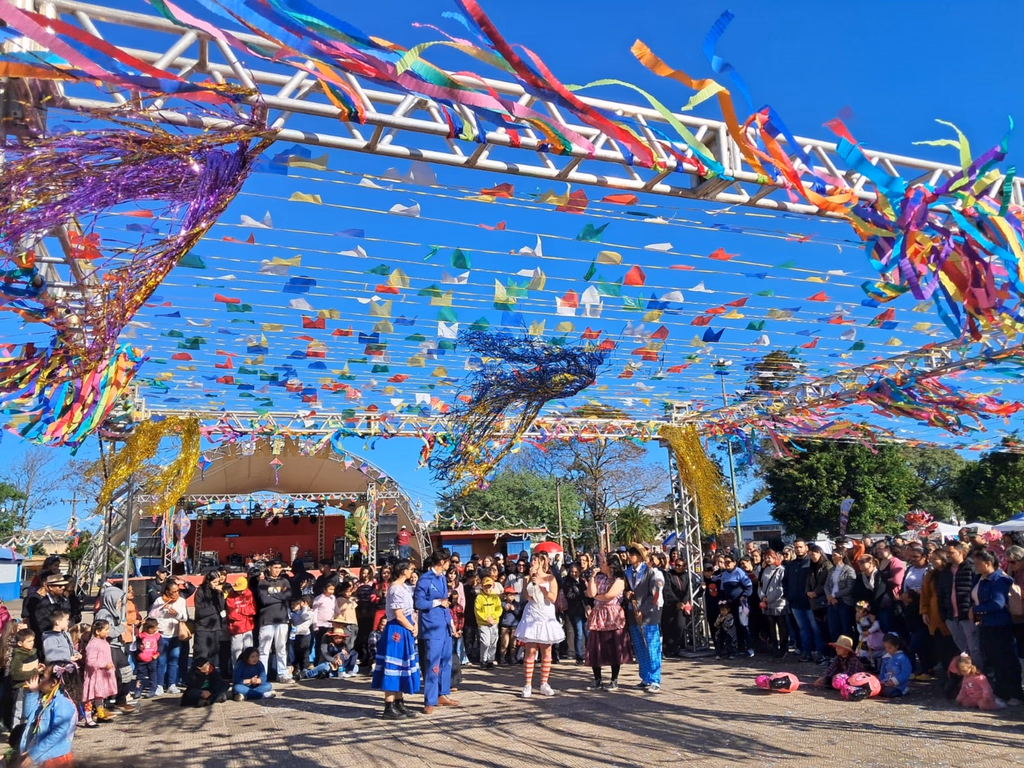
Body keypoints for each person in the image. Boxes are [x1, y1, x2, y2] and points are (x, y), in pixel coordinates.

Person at [970, 549, 1024, 705]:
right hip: (985, 624)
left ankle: (1014, 694)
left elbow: (997, 603)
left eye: (978, 564)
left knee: (1006, 659)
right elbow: (976, 600)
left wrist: (976, 610)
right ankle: (1001, 692)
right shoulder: (980, 578)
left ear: (988, 563)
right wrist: (977, 620)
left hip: (1000, 625)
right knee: (993, 659)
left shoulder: (999, 579)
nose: (975, 567)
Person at [372, 559, 420, 719]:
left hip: (406, 627)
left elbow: (409, 610)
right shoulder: (395, 589)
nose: (412, 571)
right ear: (403, 570)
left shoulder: (404, 587)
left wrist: (415, 624)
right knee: (393, 665)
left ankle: (399, 702)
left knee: (402, 665)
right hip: (397, 629)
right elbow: (398, 615)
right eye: (410, 569)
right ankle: (389, 706)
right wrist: (411, 627)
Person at [413, 549, 460, 714]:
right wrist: (437, 602)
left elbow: (446, 603)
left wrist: (451, 623)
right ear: (442, 562)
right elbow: (418, 603)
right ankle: (429, 700)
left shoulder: (442, 578)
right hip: (431, 627)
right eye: (448, 562)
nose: (450, 565)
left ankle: (442, 694)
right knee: (433, 664)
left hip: (444, 626)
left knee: (446, 662)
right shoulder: (425, 579)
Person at [515, 552, 564, 698]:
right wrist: (530, 580)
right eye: (532, 560)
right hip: (532, 613)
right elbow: (527, 596)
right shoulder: (527, 578)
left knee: (546, 650)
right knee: (530, 650)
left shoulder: (550, 578)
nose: (533, 562)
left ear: (542, 562)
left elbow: (553, 598)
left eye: (536, 560)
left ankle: (544, 683)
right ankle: (527, 684)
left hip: (546, 614)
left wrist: (541, 587)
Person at [584, 553, 631, 691]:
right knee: (595, 646)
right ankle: (597, 679)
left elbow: (609, 596)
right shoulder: (599, 578)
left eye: (603, 562)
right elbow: (590, 593)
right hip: (598, 613)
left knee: (614, 646)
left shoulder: (619, 579)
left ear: (610, 565)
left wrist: (597, 596)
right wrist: (592, 577)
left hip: (613, 614)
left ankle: (614, 680)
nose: (600, 564)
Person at [17, 664, 77, 767]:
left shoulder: (62, 703)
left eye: (43, 677)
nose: (40, 680)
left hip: (53, 758)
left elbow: (58, 732)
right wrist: (33, 692)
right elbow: (29, 715)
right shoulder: (46, 699)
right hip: (41, 754)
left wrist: (34, 753)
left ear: (53, 683)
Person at [623, 544, 664, 691]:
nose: (629, 557)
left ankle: (655, 679)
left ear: (639, 557)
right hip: (632, 613)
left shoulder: (649, 572)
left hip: (648, 616)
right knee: (639, 648)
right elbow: (626, 589)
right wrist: (627, 594)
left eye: (632, 554)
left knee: (652, 647)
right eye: (629, 554)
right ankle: (645, 677)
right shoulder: (627, 572)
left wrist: (644, 610)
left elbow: (655, 595)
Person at [938, 541, 981, 663]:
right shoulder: (945, 571)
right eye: (946, 552)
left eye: (951, 552)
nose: (948, 555)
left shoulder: (972, 568)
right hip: (951, 616)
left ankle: (978, 671)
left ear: (960, 552)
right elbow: (941, 594)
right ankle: (967, 671)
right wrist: (944, 615)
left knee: (974, 646)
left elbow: (978, 592)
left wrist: (976, 612)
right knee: (962, 647)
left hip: (969, 614)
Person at [148, 581, 188, 695]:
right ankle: (159, 685)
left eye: (177, 591)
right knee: (161, 661)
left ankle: (171, 684)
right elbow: (151, 616)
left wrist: (176, 614)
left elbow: (185, 618)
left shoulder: (181, 601)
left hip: (175, 634)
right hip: (162, 634)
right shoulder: (159, 600)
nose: (176, 594)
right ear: (167, 591)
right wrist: (161, 610)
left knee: (174, 660)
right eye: (173, 592)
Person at [785, 541, 822, 662]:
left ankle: (819, 652)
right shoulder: (790, 565)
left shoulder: (812, 562)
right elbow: (785, 581)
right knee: (803, 628)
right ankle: (806, 652)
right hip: (795, 602)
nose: (798, 549)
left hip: (810, 602)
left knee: (815, 628)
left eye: (801, 547)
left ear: (806, 548)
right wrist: (788, 595)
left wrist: (814, 593)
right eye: (796, 547)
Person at [257, 560, 292, 681]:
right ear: (269, 568)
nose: (277, 570)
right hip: (267, 620)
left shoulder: (285, 581)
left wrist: (271, 595)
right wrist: (280, 596)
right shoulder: (263, 582)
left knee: (281, 649)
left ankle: (282, 674)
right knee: (264, 650)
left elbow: (288, 596)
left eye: (279, 568)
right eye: (275, 567)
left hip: (282, 619)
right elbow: (264, 600)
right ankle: (262, 675)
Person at [717, 553, 753, 659]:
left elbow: (749, 587)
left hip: (741, 604)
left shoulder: (740, 572)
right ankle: (737, 648)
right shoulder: (724, 575)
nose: (726, 564)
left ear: (734, 562)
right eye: (725, 562)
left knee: (744, 626)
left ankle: (749, 648)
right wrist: (723, 601)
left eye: (728, 562)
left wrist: (744, 596)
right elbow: (722, 590)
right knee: (733, 626)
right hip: (730, 605)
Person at [83, 619, 118, 724]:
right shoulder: (93, 644)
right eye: (106, 629)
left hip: (102, 675)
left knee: (100, 695)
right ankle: (88, 719)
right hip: (94, 675)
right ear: (98, 631)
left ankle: (100, 714)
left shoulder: (104, 642)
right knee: (90, 697)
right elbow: (90, 661)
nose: (108, 631)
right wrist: (103, 665)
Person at [193, 570, 226, 674]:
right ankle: (198, 678)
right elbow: (200, 612)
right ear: (208, 581)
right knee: (201, 656)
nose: (216, 584)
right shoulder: (200, 592)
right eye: (214, 582)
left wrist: (220, 594)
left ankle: (212, 678)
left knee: (214, 656)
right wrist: (214, 609)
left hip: (215, 627)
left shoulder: (217, 592)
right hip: (203, 628)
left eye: (218, 582)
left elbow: (221, 608)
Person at [758, 550, 788, 657]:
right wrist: (762, 597)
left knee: (781, 625)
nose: (767, 559)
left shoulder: (781, 570)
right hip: (767, 603)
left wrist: (770, 598)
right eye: (765, 557)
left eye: (769, 557)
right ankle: (774, 646)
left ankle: (784, 647)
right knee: (771, 625)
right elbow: (760, 585)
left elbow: (781, 588)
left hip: (779, 603)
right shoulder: (765, 570)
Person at [826, 547, 857, 645]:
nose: (833, 557)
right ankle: (837, 650)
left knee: (845, 628)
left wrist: (834, 595)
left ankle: (847, 650)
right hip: (831, 602)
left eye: (835, 555)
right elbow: (826, 585)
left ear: (841, 556)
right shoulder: (831, 570)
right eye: (832, 555)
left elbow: (850, 588)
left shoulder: (849, 570)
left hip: (844, 602)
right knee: (833, 629)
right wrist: (829, 596)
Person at [10, 628, 41, 727]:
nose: (32, 643)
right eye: (29, 641)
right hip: (21, 688)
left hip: (32, 687)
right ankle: (16, 731)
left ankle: (25, 731)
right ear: (20, 643)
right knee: (19, 712)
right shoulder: (18, 656)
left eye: (33, 640)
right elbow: (15, 674)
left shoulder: (33, 653)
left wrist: (40, 669)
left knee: (29, 711)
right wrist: (35, 671)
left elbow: (33, 668)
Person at [226, 575, 256, 669]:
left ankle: (249, 671)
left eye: (242, 590)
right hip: (236, 628)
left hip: (248, 627)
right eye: (238, 590)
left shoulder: (249, 593)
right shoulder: (230, 596)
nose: (240, 592)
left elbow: (253, 610)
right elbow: (232, 614)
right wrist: (245, 614)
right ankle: (237, 672)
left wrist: (240, 610)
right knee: (236, 652)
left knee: (249, 651)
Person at [560, 564, 588, 665]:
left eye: (576, 572)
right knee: (578, 632)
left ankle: (589, 654)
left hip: (584, 610)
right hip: (574, 611)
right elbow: (569, 596)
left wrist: (588, 605)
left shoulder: (582, 581)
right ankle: (579, 656)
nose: (574, 573)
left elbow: (587, 595)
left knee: (587, 632)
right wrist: (581, 594)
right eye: (572, 571)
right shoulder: (567, 582)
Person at [475, 575, 502, 669]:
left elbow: (499, 609)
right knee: (485, 642)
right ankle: (483, 660)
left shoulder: (495, 597)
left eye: (489, 586)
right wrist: (486, 618)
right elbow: (478, 611)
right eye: (486, 586)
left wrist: (493, 617)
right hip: (483, 624)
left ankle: (490, 660)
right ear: (482, 586)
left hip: (494, 623)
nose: (488, 588)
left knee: (493, 643)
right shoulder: (479, 598)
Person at [311, 582, 337, 663]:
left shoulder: (333, 598)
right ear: (324, 589)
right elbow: (314, 612)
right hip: (320, 625)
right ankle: (318, 660)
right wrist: (315, 625)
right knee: (319, 644)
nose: (332, 591)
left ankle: (327, 660)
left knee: (328, 644)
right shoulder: (319, 598)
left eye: (333, 589)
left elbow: (336, 609)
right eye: (330, 589)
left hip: (330, 625)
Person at [878, 633, 911, 698]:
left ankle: (903, 690)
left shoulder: (902, 658)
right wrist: (880, 681)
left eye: (890, 648)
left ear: (896, 646)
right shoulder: (886, 658)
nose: (887, 650)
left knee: (889, 693)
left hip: (899, 684)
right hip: (886, 682)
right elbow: (882, 672)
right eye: (885, 647)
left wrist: (894, 681)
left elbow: (905, 673)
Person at [135, 618, 161, 698]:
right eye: (153, 628)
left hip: (152, 660)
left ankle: (152, 689)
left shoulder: (158, 636)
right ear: (147, 628)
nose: (155, 630)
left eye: (156, 628)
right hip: (141, 660)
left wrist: (157, 653)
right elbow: (137, 644)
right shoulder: (141, 636)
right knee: (140, 675)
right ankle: (138, 690)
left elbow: (161, 646)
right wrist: (139, 648)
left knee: (152, 675)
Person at [854, 601, 884, 667]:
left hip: (871, 637)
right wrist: (861, 632)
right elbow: (858, 626)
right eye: (857, 611)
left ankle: (874, 662)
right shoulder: (859, 620)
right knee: (860, 651)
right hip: (863, 637)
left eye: (859, 612)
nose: (857, 613)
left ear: (865, 612)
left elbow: (877, 626)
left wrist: (869, 631)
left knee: (871, 649)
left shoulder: (871, 618)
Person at [497, 586, 520, 666]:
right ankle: (502, 658)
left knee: (513, 644)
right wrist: (504, 609)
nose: (512, 597)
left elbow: (519, 615)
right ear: (505, 596)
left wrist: (514, 610)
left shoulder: (517, 604)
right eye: (510, 595)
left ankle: (512, 658)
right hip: (505, 626)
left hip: (514, 626)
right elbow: (499, 614)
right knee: (504, 643)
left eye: (513, 595)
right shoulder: (502, 603)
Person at [334, 581, 359, 653]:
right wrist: (352, 600)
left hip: (354, 623)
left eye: (350, 591)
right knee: (346, 643)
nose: (348, 593)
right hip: (346, 624)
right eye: (346, 591)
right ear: (341, 591)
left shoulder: (349, 600)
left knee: (352, 643)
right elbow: (347, 606)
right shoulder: (340, 600)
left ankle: (349, 656)